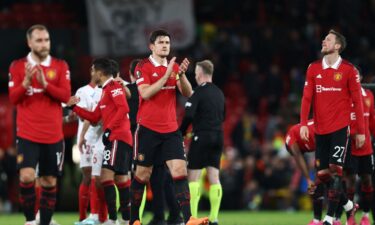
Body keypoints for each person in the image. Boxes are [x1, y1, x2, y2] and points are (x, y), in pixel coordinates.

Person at [130, 29, 208, 225]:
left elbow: (189, 93)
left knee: (180, 170)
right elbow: (145, 93)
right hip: (147, 129)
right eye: (161, 42)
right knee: (142, 174)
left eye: (167, 42)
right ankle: (134, 220)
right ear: (152, 46)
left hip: (171, 129)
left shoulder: (173, 67)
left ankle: (189, 219)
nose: (165, 45)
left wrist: (180, 75)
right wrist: (165, 76)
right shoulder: (143, 66)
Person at [300, 29, 365, 225]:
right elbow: (307, 98)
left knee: (336, 170)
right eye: (324, 39)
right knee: (321, 175)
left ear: (337, 46)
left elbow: (358, 102)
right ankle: (347, 205)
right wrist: (303, 123)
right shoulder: (313, 68)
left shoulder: (349, 70)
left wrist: (361, 130)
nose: (323, 41)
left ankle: (329, 218)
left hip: (339, 129)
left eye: (328, 40)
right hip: (320, 130)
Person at [8, 24, 71, 225]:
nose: (44, 44)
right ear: (29, 42)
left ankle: (44, 222)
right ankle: (29, 221)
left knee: (49, 181)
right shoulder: (17, 66)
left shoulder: (60, 66)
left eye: (47, 40)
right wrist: (26, 82)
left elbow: (65, 96)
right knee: (26, 177)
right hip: (27, 134)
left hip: (53, 135)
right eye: (39, 40)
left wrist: (45, 85)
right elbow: (13, 99)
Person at [68, 58, 133, 225]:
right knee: (120, 180)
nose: (91, 74)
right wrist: (73, 107)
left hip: (118, 137)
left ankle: (113, 219)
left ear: (100, 73)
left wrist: (110, 128)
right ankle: (126, 220)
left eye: (93, 71)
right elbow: (94, 118)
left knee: (105, 177)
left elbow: (124, 108)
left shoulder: (113, 87)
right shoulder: (105, 91)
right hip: (115, 138)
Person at [179, 60, 225, 225]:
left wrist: (181, 132)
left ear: (200, 73)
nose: (195, 75)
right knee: (214, 176)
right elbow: (222, 117)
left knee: (193, 178)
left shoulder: (198, 92)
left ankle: (193, 218)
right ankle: (214, 218)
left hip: (202, 137)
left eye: (196, 72)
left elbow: (189, 115)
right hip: (218, 137)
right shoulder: (220, 93)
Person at [73, 67, 106, 225]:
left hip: (101, 137)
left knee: (100, 176)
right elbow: (85, 115)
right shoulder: (82, 91)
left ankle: (100, 215)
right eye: (93, 69)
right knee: (87, 174)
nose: (96, 72)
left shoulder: (105, 90)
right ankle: (83, 216)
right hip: (87, 137)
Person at [344, 84, 375, 225]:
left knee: (367, 181)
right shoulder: (344, 95)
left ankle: (366, 216)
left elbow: (372, 121)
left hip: (366, 148)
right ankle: (350, 217)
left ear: (360, 78)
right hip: (350, 146)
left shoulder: (368, 95)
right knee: (349, 183)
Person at [285, 120, 326, 225]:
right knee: (321, 180)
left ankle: (347, 206)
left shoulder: (290, 140)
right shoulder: (305, 143)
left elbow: (298, 157)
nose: (294, 154)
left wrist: (308, 179)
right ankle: (319, 220)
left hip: (327, 133)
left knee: (326, 178)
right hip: (326, 137)